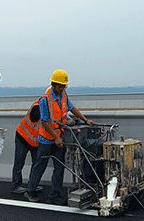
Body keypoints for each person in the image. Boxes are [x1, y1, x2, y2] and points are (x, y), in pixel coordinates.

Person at [24, 69, 93, 205]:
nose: (62, 88)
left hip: (59, 138)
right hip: (46, 139)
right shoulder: (45, 100)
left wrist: (85, 119)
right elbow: (44, 122)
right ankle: (30, 191)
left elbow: (72, 108)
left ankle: (54, 195)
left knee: (59, 167)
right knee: (39, 166)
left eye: (64, 86)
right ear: (54, 84)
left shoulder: (63, 95)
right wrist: (55, 138)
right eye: (60, 86)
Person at [10, 98, 44, 194]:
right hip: (23, 137)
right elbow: (35, 117)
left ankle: (32, 185)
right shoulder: (37, 107)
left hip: (35, 141)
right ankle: (15, 185)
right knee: (19, 162)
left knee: (36, 163)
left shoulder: (49, 109)